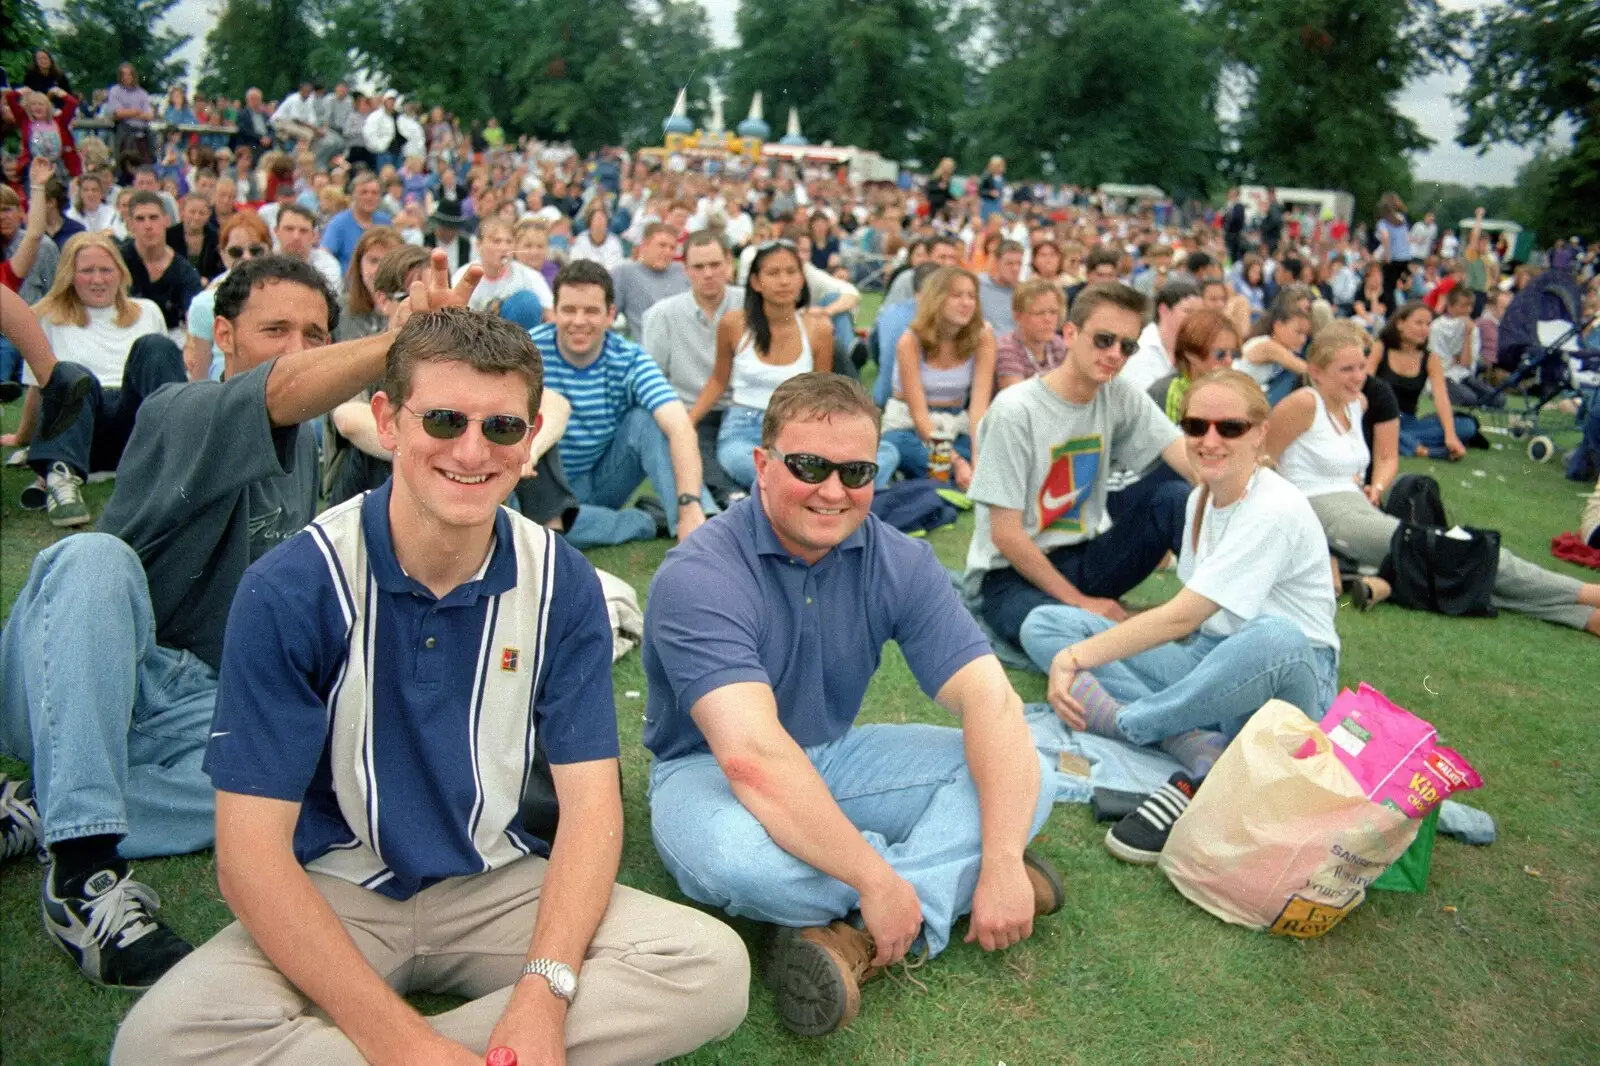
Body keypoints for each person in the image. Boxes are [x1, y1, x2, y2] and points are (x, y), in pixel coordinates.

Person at [111, 306, 750, 1065]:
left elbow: (589, 807)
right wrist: (404, 1043)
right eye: (443, 420)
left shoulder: (561, 584)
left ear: (530, 437)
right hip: (338, 889)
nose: (471, 451)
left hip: (500, 884)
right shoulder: (294, 584)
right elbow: (249, 857)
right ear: (387, 420)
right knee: (157, 1045)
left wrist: (543, 994)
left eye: (502, 428)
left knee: (710, 968)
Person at [0, 252, 441, 989]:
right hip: (80, 676)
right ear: (227, 335)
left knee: (307, 770)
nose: (300, 348)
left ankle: (49, 805)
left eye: (316, 331)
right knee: (93, 560)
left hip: (191, 705)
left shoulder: (307, 451)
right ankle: (82, 871)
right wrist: (410, 341)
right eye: (277, 329)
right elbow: (285, 390)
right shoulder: (181, 405)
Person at [643, 372, 1063, 1036]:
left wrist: (1006, 858)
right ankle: (945, 878)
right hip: (709, 772)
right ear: (762, 464)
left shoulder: (900, 560)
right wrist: (875, 876)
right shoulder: (699, 575)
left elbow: (991, 700)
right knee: (734, 858)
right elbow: (751, 759)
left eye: (856, 471)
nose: (833, 490)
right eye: (809, 466)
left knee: (1028, 761)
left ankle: (855, 933)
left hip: (834, 756)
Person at [1022, 368, 1341, 864]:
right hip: (1211, 663)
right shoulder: (1200, 501)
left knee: (1275, 634)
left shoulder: (1274, 507)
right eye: (1196, 427)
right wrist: (1073, 649)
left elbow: (1180, 617)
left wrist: (1074, 661)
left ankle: (1132, 725)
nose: (1209, 440)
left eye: (1229, 428)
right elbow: (1189, 626)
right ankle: (1194, 742)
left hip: (1286, 682)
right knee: (1045, 624)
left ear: (1259, 433)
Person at [1267, 322, 1600, 638]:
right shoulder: (1303, 403)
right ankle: (1585, 594)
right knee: (1451, 550)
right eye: (1347, 370)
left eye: (1360, 366)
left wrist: (1374, 487)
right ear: (1316, 372)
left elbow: (1380, 459)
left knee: (1443, 563)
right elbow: (1261, 463)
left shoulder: (1356, 404)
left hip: (1360, 508)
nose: (1358, 377)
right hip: (1325, 515)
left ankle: (1582, 614)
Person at [966, 283, 1193, 649]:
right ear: (1070, 334)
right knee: (1050, 628)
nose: (1115, 354)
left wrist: (1244, 493)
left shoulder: (1118, 394)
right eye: (1104, 340)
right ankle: (1130, 628)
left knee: (1174, 498)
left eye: (1127, 346)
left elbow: (1182, 455)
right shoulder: (1014, 411)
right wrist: (1080, 602)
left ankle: (1212, 611)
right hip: (1010, 576)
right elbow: (1005, 535)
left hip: (1082, 557)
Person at [530, 259, 711, 547]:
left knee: (647, 420)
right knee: (544, 533)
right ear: (555, 312)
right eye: (569, 310)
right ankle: (645, 521)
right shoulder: (529, 354)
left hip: (602, 478)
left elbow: (679, 427)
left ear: (610, 314)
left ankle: (698, 523)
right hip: (542, 488)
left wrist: (689, 504)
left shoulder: (629, 359)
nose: (578, 321)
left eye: (591, 311)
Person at [10, 233, 178, 527]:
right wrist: (22, 437)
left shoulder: (147, 310)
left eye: (106, 270)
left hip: (136, 425)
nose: (97, 279)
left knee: (155, 346)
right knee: (72, 373)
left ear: (120, 273)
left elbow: (163, 380)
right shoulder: (48, 318)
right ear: (70, 276)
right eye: (87, 271)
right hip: (82, 428)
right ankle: (61, 479)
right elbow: (38, 391)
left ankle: (182, 461)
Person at [687, 238, 875, 491]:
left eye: (791, 272)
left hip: (798, 429)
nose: (784, 280)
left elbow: (820, 393)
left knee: (874, 457)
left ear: (801, 279)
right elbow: (718, 381)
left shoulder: (817, 329)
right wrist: (687, 422)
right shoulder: (734, 324)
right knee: (761, 470)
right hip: (742, 429)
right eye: (773, 273)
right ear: (756, 282)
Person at [640, 230, 747, 505]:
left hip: (743, 408)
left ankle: (725, 495)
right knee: (694, 443)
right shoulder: (662, 315)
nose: (708, 274)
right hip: (691, 412)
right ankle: (729, 494)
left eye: (714, 265)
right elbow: (651, 378)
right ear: (686, 270)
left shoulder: (750, 305)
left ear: (728, 265)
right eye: (699, 267)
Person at [882, 265, 996, 487]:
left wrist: (977, 459)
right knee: (915, 454)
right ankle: (939, 475)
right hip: (911, 426)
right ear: (937, 299)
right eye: (956, 295)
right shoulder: (910, 341)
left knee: (993, 452)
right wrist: (959, 463)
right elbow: (920, 418)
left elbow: (978, 409)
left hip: (956, 422)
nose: (966, 303)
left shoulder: (983, 337)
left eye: (971, 296)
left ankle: (925, 477)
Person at [1367, 301, 1476, 460]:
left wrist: (1450, 435)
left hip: (1409, 422)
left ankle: (1402, 442)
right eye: (1419, 323)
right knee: (1372, 426)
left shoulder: (1430, 359)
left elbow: (1441, 398)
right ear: (1400, 324)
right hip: (1381, 416)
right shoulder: (1381, 348)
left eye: (1428, 324)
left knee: (1467, 426)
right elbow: (1364, 384)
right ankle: (1424, 450)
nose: (1425, 329)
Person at [181, 211, 273, 379]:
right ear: (223, 255)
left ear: (270, 251)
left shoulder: (286, 297)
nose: (246, 257)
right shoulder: (205, 303)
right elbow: (199, 378)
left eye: (256, 250)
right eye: (236, 252)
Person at [121, 190, 203, 335]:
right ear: (130, 224)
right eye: (140, 219)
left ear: (166, 220)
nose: (147, 225)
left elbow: (195, 320)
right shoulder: (116, 262)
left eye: (153, 217)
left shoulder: (184, 272)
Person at [1148, 308, 1241, 423]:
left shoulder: (1237, 391)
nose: (1228, 360)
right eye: (1220, 354)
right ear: (1191, 354)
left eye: (1234, 353)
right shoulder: (1166, 392)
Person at [454, 215, 550, 315]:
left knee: (527, 301)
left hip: (516, 329)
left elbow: (551, 315)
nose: (504, 248)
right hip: (472, 329)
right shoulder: (463, 276)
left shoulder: (529, 276)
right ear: (479, 245)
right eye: (497, 241)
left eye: (509, 242)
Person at [1121, 279, 1202, 394]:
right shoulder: (1140, 347)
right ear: (1163, 310)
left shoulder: (1194, 346)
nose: (1196, 319)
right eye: (1188, 311)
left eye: (1200, 313)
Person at [612, 221, 689, 341]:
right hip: (649, 348)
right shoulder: (625, 273)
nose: (668, 252)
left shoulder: (683, 271)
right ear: (644, 246)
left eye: (672, 248)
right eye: (662, 245)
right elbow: (606, 316)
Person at [334, 223, 404, 341]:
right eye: (373, 261)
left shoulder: (414, 311)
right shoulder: (338, 309)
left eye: (389, 260)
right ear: (359, 265)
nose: (380, 269)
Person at [995, 278, 1067, 390]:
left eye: (1053, 312)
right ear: (1017, 316)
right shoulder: (1007, 348)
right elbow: (1016, 399)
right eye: (1039, 313)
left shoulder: (1057, 343)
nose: (1048, 319)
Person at [1236, 299, 1310, 406]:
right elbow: (1305, 370)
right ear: (1278, 326)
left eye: (1306, 335)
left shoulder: (1286, 350)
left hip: (1250, 396)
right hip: (1238, 393)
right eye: (1298, 332)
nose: (1303, 340)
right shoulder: (1268, 346)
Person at [321, 170, 392, 275]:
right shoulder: (339, 223)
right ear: (353, 196)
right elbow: (324, 257)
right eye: (364, 192)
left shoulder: (385, 222)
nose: (369, 197)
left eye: (374, 193)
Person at [274, 201, 343, 291]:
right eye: (289, 229)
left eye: (303, 231)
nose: (296, 237)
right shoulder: (263, 262)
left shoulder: (327, 264)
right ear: (276, 232)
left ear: (314, 236)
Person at [167, 191, 223, 282]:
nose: (196, 217)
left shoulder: (216, 237)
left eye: (202, 213)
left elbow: (222, 271)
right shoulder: (168, 236)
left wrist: (208, 280)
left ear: (209, 214)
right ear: (183, 211)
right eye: (192, 212)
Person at [1374, 192, 1412, 315]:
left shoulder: (1383, 222)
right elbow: (1407, 237)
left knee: (1388, 288)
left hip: (1393, 258)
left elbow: (1385, 237)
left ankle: (1390, 314)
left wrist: (1387, 255)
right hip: (1405, 257)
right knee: (1400, 286)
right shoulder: (1401, 219)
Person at [979, 239, 1023, 334]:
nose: (1015, 269)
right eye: (1010, 263)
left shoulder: (1023, 292)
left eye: (1019, 264)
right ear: (996, 262)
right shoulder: (978, 285)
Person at [569, 202, 626, 272]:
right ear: (590, 223)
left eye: (603, 218)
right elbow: (576, 264)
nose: (600, 222)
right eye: (597, 219)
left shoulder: (615, 242)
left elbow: (615, 268)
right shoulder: (580, 240)